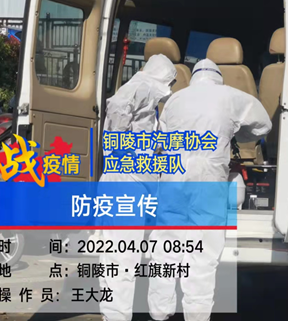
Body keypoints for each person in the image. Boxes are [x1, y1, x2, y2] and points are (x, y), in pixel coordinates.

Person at [148, 58, 271, 321]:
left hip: (173, 179)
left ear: (193, 77)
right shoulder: (231, 97)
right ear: (218, 78)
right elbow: (264, 125)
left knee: (166, 247)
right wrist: (235, 133)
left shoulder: (175, 100)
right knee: (202, 255)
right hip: (208, 180)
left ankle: (159, 311)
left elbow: (160, 141)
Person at [99, 53, 177, 321]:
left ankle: (121, 314)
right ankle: (117, 316)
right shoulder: (141, 87)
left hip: (134, 183)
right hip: (126, 184)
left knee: (119, 255)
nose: (170, 89)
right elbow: (118, 107)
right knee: (121, 257)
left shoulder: (147, 97)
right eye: (171, 83)